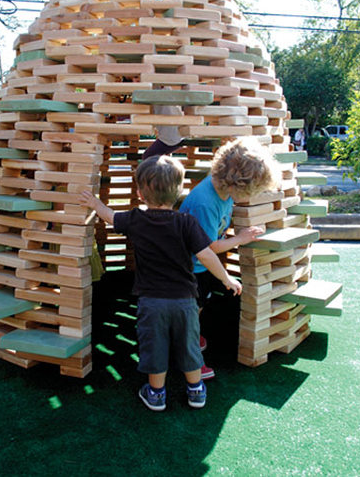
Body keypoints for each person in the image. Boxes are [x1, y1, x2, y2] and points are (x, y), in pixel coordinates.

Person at [79, 155, 243, 411]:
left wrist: (94, 202)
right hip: (186, 301)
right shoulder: (186, 222)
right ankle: (196, 391)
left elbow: (110, 217)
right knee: (189, 345)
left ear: (140, 194)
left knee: (155, 346)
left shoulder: (136, 219)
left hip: (152, 301)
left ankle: (156, 393)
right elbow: (207, 254)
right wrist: (226, 278)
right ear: (179, 192)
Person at [179, 137, 281, 380]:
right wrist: (240, 239)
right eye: (250, 193)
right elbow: (209, 247)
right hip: (189, 268)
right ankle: (187, 353)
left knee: (199, 306)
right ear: (236, 185)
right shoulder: (206, 203)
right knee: (190, 312)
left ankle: (189, 337)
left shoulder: (221, 190)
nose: (249, 198)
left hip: (199, 267)